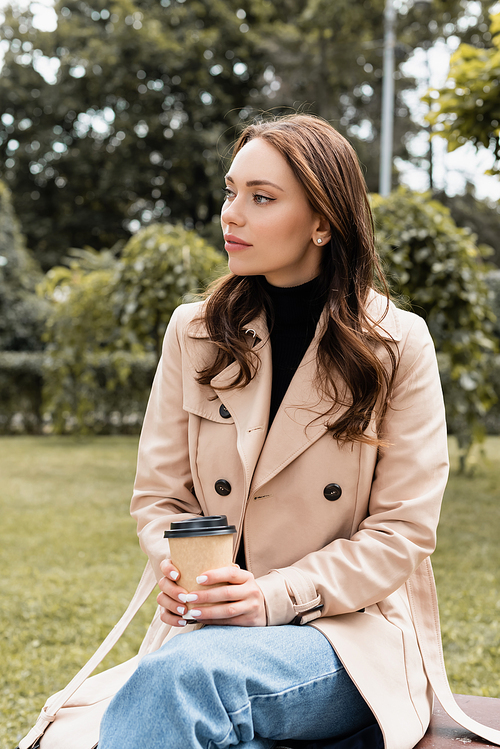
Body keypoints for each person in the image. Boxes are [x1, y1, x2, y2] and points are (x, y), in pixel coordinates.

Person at [98, 113, 450, 749]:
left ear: (322, 222)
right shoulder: (196, 332)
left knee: (182, 685)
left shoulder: (397, 342)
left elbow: (403, 533)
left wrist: (270, 596)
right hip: (211, 634)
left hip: (344, 634)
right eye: (232, 191)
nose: (232, 214)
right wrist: (181, 572)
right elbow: (162, 498)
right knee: (190, 697)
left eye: (262, 198)